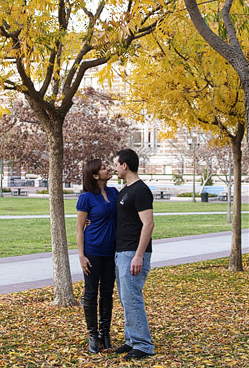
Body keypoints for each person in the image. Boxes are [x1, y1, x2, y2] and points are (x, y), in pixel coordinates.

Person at [111, 149, 155, 360]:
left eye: (116, 164)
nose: (115, 168)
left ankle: (143, 345)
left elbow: (148, 224)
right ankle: (131, 340)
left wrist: (139, 255)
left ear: (125, 165)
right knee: (126, 299)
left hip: (133, 253)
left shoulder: (140, 191)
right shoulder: (124, 191)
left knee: (133, 299)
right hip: (121, 252)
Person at [76, 159, 118, 354]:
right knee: (91, 293)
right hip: (93, 252)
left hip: (112, 253)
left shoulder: (114, 193)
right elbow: (79, 229)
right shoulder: (86, 198)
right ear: (94, 175)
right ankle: (93, 334)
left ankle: (105, 332)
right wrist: (81, 256)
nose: (107, 169)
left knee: (108, 293)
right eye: (103, 168)